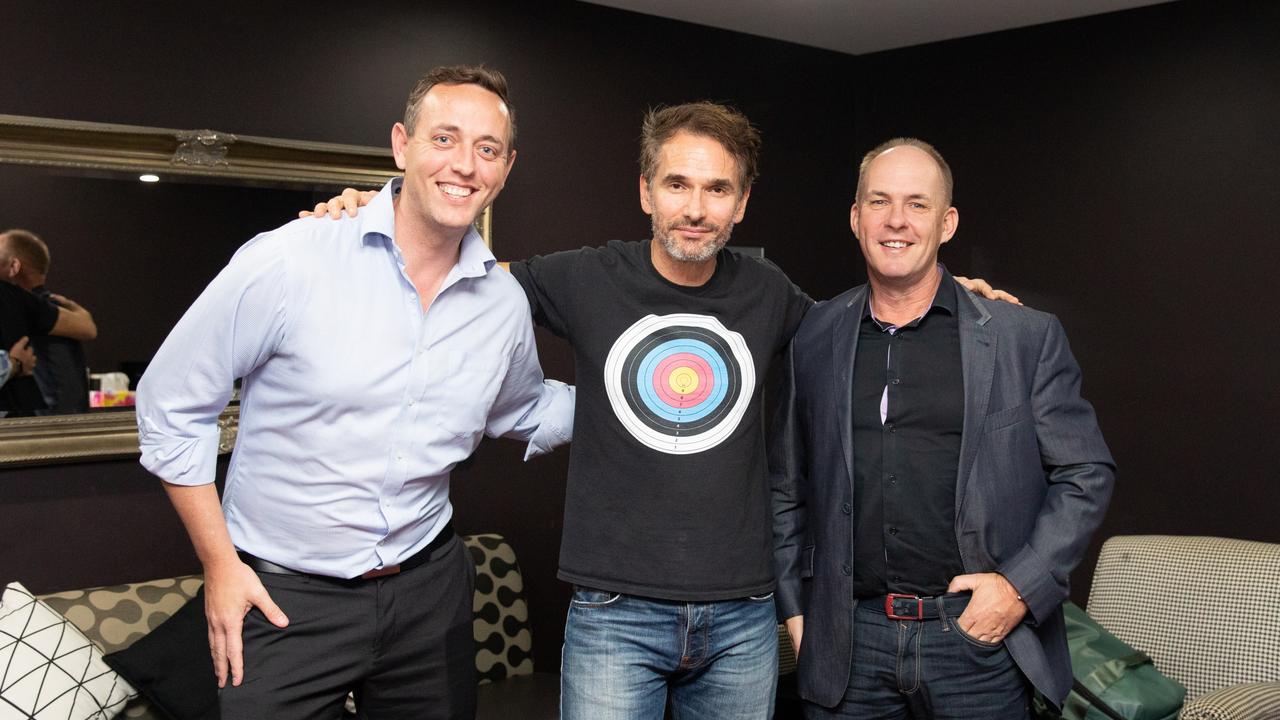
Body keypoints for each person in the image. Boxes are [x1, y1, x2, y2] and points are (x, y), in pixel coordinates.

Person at [310, 106, 1015, 719]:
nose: (696, 207)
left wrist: (952, 302)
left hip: (744, 615)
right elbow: (450, 282)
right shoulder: (586, 277)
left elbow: (856, 329)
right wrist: (366, 220)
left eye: (717, 189)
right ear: (646, 191)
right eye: (677, 184)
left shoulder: (768, 293)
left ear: (742, 203)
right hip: (616, 614)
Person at [136, 65, 573, 720]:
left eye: (487, 149)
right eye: (445, 139)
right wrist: (219, 564)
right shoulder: (289, 260)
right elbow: (170, 406)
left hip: (429, 595)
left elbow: (525, 408)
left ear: (506, 169)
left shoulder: (502, 306)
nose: (465, 165)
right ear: (402, 145)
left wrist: (640, 400)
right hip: (283, 600)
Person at [771, 138, 1115, 718]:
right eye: (879, 202)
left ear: (947, 222)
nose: (896, 220)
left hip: (977, 644)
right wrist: (797, 613)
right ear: (856, 219)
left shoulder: (1020, 337)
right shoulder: (814, 335)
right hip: (849, 646)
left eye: (917, 204)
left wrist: (1017, 589)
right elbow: (788, 484)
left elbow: (1086, 471)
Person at [0, 231, 97, 417]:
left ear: (14, 266)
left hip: (42, 431)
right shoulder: (56, 310)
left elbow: (63, 393)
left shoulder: (32, 310)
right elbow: (88, 328)